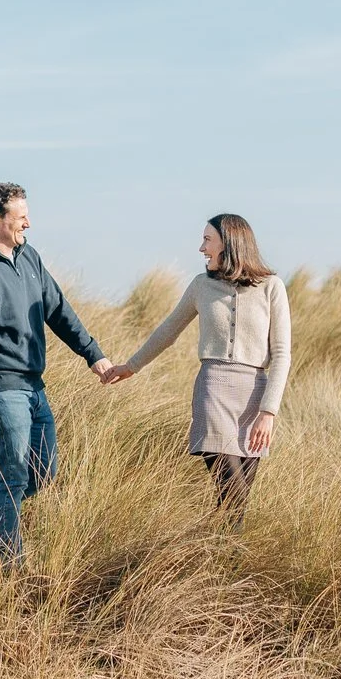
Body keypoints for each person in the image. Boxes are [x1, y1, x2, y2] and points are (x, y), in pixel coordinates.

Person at [0, 182, 119, 568]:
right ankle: (14, 569)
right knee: (13, 476)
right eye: (20, 216)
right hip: (2, 391)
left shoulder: (31, 259)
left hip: (34, 388)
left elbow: (58, 310)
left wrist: (93, 355)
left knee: (42, 474)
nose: (29, 222)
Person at [103, 213, 291, 519]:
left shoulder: (272, 287)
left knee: (235, 504)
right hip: (213, 394)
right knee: (233, 493)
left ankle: (218, 560)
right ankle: (221, 560)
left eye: (207, 240)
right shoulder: (201, 286)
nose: (201, 249)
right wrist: (132, 366)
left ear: (228, 243)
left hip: (253, 400)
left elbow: (282, 353)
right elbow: (168, 331)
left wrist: (268, 413)